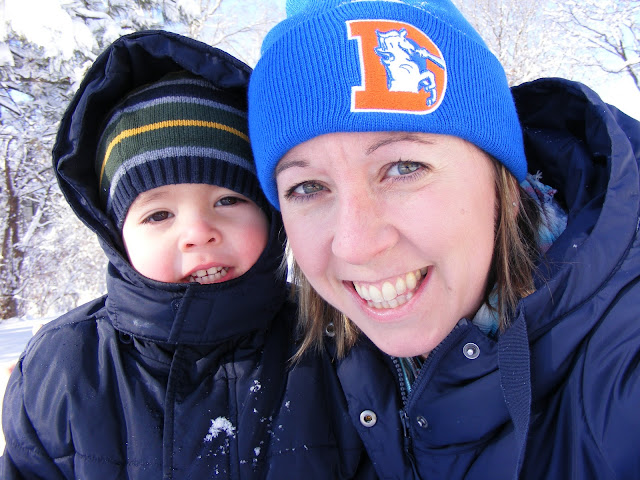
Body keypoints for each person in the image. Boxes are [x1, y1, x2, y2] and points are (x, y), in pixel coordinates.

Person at [247, 0, 640, 478]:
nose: (355, 244)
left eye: (404, 167)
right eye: (308, 188)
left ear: (504, 185)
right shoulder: (303, 377)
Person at [1, 30, 375, 479]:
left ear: (270, 212)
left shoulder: (334, 340)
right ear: (116, 236)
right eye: (158, 214)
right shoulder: (63, 365)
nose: (198, 233)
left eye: (228, 200)